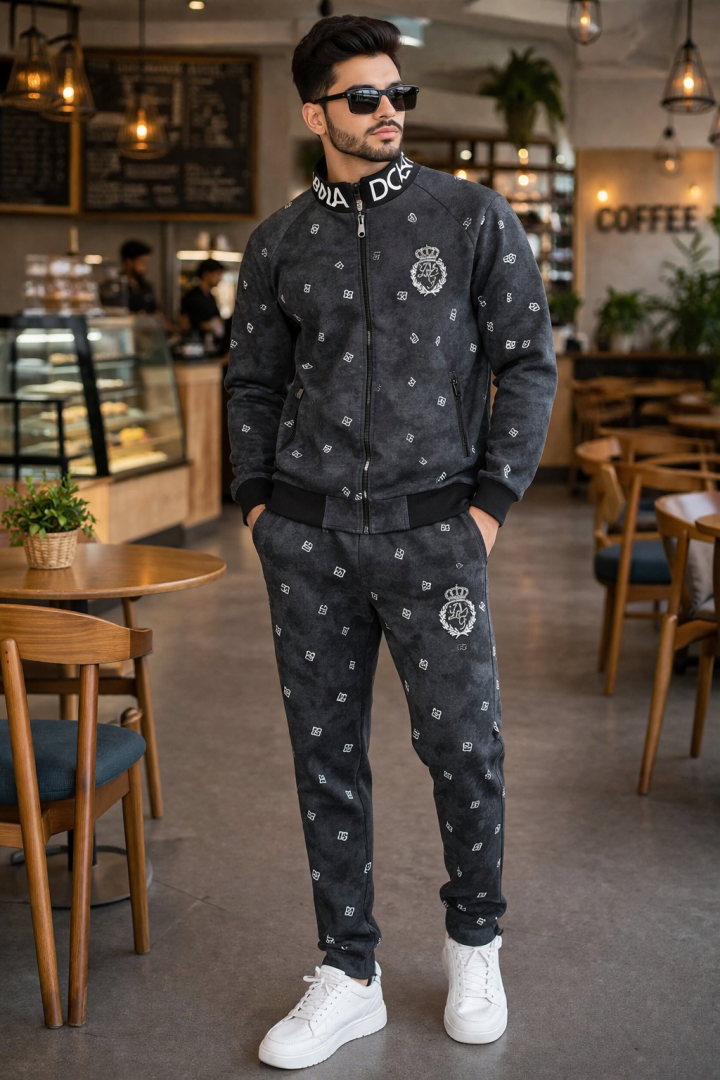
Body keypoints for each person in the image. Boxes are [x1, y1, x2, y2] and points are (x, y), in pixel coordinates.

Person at [225, 14, 556, 1070]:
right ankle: (349, 972)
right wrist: (258, 507)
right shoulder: (278, 242)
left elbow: (527, 363)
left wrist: (489, 507)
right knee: (325, 755)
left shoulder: (471, 217)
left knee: (465, 748)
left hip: (434, 537)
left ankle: (475, 946)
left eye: (397, 94)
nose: (387, 113)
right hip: (309, 544)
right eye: (363, 97)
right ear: (314, 113)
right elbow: (252, 382)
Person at [179, 257, 226, 340]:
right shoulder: (191, 296)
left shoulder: (210, 297)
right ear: (206, 274)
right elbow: (184, 323)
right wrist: (204, 326)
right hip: (195, 342)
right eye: (218, 274)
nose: (219, 279)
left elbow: (217, 318)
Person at [120, 239, 158, 314]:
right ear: (129, 262)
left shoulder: (147, 287)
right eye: (142, 262)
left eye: (147, 263)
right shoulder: (115, 288)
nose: (145, 267)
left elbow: (155, 310)